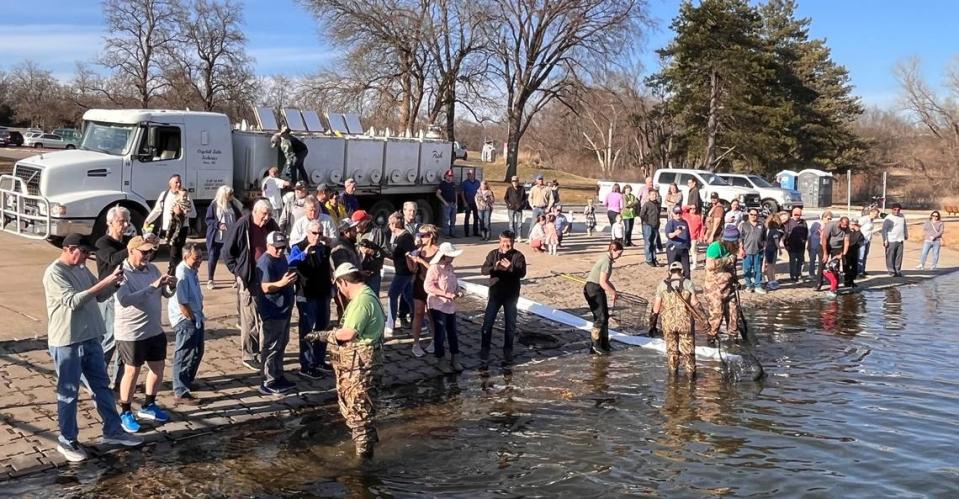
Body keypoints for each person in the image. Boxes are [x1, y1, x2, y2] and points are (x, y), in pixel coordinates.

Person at [43, 233, 142, 462]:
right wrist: (104, 283)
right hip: (67, 341)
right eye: (85, 252)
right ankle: (67, 441)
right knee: (68, 394)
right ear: (70, 249)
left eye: (89, 253)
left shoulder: (80, 268)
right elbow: (73, 301)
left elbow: (99, 296)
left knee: (102, 388)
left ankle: (113, 431)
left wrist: (115, 284)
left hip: (91, 338)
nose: (87, 257)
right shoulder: (54, 273)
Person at [115, 235, 177, 433]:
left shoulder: (152, 269)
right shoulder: (122, 274)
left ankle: (149, 404)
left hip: (154, 329)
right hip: (131, 333)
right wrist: (153, 286)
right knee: (132, 371)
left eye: (150, 252)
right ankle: (125, 411)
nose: (148, 255)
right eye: (144, 252)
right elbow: (125, 300)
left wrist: (170, 286)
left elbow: (163, 293)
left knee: (158, 368)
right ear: (132, 251)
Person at [326, 262, 385, 458]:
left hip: (359, 367)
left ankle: (363, 460)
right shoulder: (367, 295)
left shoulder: (361, 302)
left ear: (343, 282)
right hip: (362, 364)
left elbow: (349, 333)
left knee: (359, 411)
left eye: (338, 286)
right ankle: (367, 448)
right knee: (363, 409)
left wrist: (326, 335)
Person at [224, 199, 280, 371]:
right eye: (264, 214)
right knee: (250, 318)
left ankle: (263, 350)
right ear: (255, 212)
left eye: (269, 214)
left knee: (264, 317)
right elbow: (227, 252)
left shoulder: (271, 225)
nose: (267, 218)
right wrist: (239, 273)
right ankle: (249, 354)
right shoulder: (242, 225)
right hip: (249, 278)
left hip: (268, 277)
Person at [94, 206, 135, 390]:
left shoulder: (127, 241)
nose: (125, 225)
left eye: (127, 221)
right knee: (110, 338)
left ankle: (118, 381)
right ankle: (96, 377)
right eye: (121, 221)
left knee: (123, 341)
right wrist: (131, 248)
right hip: (109, 296)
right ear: (110, 223)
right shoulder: (102, 243)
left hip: (126, 294)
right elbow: (113, 259)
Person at [256, 231, 298, 395]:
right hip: (272, 310)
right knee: (271, 346)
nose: (280, 251)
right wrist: (282, 283)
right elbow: (265, 287)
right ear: (269, 246)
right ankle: (267, 380)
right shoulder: (265, 262)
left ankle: (278, 375)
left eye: (282, 247)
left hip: (284, 309)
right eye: (277, 248)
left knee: (282, 343)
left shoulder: (281, 258)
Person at [292, 220, 333, 379]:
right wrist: (304, 254)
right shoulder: (299, 246)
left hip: (323, 293)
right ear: (307, 232)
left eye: (320, 233)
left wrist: (330, 241)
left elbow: (335, 252)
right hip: (306, 294)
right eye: (314, 233)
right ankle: (306, 364)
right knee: (308, 330)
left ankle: (319, 360)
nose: (317, 236)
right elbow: (290, 262)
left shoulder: (324, 248)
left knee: (323, 328)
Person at [479, 230, 527, 361]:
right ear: (499, 241)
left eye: (509, 242)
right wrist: (494, 267)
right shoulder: (493, 254)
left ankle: (508, 350)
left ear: (513, 242)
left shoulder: (518, 256)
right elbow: (483, 270)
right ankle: (485, 348)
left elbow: (522, 273)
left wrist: (511, 267)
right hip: (495, 294)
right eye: (504, 241)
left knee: (510, 325)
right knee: (487, 322)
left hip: (511, 295)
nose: (506, 244)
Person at [168, 244, 205, 406]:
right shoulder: (182, 273)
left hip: (196, 316)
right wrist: (191, 319)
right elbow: (182, 302)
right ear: (186, 257)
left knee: (197, 350)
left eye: (201, 258)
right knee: (183, 354)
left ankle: (187, 380)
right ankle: (180, 390)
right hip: (186, 319)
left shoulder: (192, 271)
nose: (200, 262)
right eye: (196, 258)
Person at [652, 262, 700, 377]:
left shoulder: (662, 285)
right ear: (682, 271)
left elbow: (656, 308)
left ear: (669, 272)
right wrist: (704, 318)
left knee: (672, 351)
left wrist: (652, 325)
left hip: (668, 323)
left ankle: (673, 378)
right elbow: (695, 303)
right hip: (685, 323)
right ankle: (690, 379)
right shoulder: (688, 283)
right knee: (688, 352)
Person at [424, 242, 466, 374]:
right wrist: (445, 294)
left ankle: (455, 358)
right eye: (450, 256)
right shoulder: (435, 268)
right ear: (444, 256)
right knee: (440, 334)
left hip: (450, 305)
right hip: (437, 305)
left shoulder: (450, 267)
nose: (452, 258)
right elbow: (428, 287)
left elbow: (454, 282)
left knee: (453, 332)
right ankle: (441, 360)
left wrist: (458, 291)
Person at [144, 174, 196, 274]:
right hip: (166, 228)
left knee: (174, 253)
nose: (179, 184)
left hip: (180, 229)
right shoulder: (164, 194)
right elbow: (157, 210)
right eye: (176, 182)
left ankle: (171, 274)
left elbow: (193, 213)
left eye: (180, 182)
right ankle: (179, 271)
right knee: (170, 252)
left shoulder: (186, 195)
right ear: (170, 183)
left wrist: (182, 212)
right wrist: (148, 220)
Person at [584, 241, 623, 355]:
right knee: (600, 317)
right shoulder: (606, 261)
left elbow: (606, 280)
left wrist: (614, 290)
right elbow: (602, 282)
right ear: (613, 250)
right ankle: (595, 345)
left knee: (605, 315)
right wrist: (612, 293)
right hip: (593, 289)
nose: (620, 256)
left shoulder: (607, 259)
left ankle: (604, 343)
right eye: (619, 253)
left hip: (597, 288)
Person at [407, 224, 440, 357]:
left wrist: (421, 261)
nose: (420, 237)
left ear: (431, 236)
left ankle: (434, 340)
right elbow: (413, 270)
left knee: (432, 314)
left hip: (433, 286)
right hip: (419, 284)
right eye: (419, 235)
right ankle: (416, 343)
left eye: (423, 235)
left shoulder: (438, 251)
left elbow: (436, 271)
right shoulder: (419, 250)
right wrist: (410, 260)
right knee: (418, 312)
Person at [704, 226, 740, 345]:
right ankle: (711, 337)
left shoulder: (734, 247)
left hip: (729, 285)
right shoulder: (715, 247)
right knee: (717, 313)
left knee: (733, 312)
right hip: (714, 286)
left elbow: (732, 266)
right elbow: (710, 265)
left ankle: (733, 337)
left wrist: (735, 280)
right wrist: (727, 260)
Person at [204, 185, 243, 289]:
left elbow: (240, 218)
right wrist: (218, 225)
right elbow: (208, 220)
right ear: (224, 195)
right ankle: (210, 280)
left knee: (233, 257)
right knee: (213, 257)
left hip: (230, 237)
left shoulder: (233, 205)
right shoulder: (214, 205)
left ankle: (237, 278)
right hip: (217, 237)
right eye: (230, 194)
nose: (232, 196)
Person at [386, 212, 415, 335]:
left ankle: (390, 325)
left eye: (389, 224)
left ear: (393, 225)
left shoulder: (405, 237)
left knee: (392, 295)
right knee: (408, 296)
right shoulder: (398, 236)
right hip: (402, 271)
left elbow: (409, 255)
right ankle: (420, 322)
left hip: (404, 272)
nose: (388, 226)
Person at [355, 209, 387, 295]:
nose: (355, 226)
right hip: (358, 273)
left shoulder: (377, 232)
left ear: (365, 222)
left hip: (372, 273)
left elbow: (386, 252)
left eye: (357, 223)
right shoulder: (354, 233)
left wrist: (371, 251)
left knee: (372, 299)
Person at [818, 215, 849, 291]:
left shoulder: (847, 229)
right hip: (826, 245)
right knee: (822, 263)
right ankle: (819, 283)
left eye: (846, 226)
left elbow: (847, 242)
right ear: (840, 222)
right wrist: (825, 253)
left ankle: (835, 285)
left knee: (835, 266)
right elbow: (824, 238)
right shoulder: (831, 225)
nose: (845, 227)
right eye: (843, 225)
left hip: (837, 247)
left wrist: (843, 254)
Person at [739, 208, 766, 294]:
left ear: (758, 215)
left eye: (755, 215)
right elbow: (740, 239)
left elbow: (765, 238)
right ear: (748, 214)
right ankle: (748, 285)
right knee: (747, 269)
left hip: (758, 251)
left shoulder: (761, 225)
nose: (753, 216)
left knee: (758, 269)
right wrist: (741, 249)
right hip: (747, 251)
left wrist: (764, 248)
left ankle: (758, 285)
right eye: (751, 214)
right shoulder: (743, 225)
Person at [664, 206, 692, 278]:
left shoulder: (685, 222)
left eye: (680, 213)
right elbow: (668, 235)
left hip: (684, 248)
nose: (678, 214)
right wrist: (675, 233)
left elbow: (688, 235)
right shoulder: (671, 223)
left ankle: (686, 286)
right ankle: (672, 285)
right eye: (676, 213)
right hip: (673, 248)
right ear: (673, 213)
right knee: (673, 269)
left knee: (686, 270)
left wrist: (688, 245)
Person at [782, 207, 808, 282]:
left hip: (801, 246)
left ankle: (798, 275)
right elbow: (784, 235)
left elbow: (806, 233)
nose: (797, 216)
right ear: (792, 214)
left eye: (799, 215)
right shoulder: (788, 222)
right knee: (792, 262)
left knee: (801, 261)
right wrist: (786, 246)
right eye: (796, 214)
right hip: (791, 246)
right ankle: (792, 276)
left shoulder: (804, 222)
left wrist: (805, 242)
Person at [881, 203, 908, 277]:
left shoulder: (902, 216)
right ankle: (891, 271)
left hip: (900, 239)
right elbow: (884, 230)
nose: (897, 211)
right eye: (895, 210)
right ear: (892, 210)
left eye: (898, 210)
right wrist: (885, 240)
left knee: (899, 256)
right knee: (890, 256)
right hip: (891, 240)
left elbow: (904, 226)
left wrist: (906, 234)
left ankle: (897, 270)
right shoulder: (888, 218)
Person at [639, 190, 662, 266]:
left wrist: (658, 223)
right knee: (648, 243)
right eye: (652, 194)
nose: (654, 196)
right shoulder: (647, 204)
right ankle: (649, 259)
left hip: (655, 226)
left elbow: (658, 215)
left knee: (654, 243)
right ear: (649, 196)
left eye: (655, 195)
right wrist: (647, 221)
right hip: (647, 226)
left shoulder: (658, 204)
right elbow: (642, 214)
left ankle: (654, 258)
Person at [808, 211, 832, 280]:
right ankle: (811, 274)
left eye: (830, 219)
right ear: (823, 218)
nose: (829, 220)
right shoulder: (816, 224)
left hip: (822, 246)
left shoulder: (829, 226)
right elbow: (810, 235)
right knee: (812, 260)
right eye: (828, 218)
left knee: (822, 261)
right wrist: (809, 244)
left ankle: (821, 275)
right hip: (814, 245)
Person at [763, 214, 784, 290]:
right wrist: (780, 250)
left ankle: (772, 280)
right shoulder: (775, 231)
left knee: (771, 266)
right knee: (770, 266)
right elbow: (776, 242)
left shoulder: (770, 231)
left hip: (769, 249)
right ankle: (770, 282)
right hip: (772, 250)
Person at [857, 208, 880, 277]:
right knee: (861, 255)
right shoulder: (864, 219)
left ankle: (863, 270)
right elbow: (857, 227)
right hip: (862, 240)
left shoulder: (872, 220)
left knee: (865, 255)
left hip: (868, 239)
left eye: (877, 214)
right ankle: (859, 271)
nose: (876, 215)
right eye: (875, 214)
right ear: (871, 212)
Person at [437, 170, 458, 238]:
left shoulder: (453, 184)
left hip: (453, 204)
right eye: (449, 176)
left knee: (453, 219)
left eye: (451, 176)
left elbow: (455, 193)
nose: (450, 177)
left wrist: (456, 202)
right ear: (445, 176)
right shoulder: (442, 184)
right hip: (446, 204)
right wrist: (444, 202)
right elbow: (438, 194)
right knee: (446, 220)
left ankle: (453, 233)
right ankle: (446, 234)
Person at [460, 169, 481, 237]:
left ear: (474, 175)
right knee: (467, 217)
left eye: (471, 174)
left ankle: (475, 232)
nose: (470, 175)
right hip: (468, 202)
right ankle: (466, 232)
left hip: (476, 203)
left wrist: (480, 201)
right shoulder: (464, 183)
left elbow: (480, 192)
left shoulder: (478, 182)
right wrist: (464, 202)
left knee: (476, 217)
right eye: (468, 174)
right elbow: (462, 193)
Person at [683, 205, 704, 270]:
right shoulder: (686, 215)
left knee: (693, 250)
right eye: (691, 209)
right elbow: (682, 208)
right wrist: (689, 206)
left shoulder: (698, 217)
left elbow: (701, 227)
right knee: (686, 250)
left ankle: (695, 264)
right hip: (685, 236)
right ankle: (686, 263)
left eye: (694, 209)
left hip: (694, 236)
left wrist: (701, 236)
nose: (693, 210)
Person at [844, 219, 865, 288]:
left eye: (854, 225)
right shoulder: (846, 231)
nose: (853, 226)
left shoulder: (857, 232)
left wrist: (858, 231)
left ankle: (852, 281)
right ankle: (847, 282)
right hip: (846, 251)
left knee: (854, 267)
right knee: (846, 267)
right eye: (852, 224)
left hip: (854, 251)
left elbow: (861, 240)